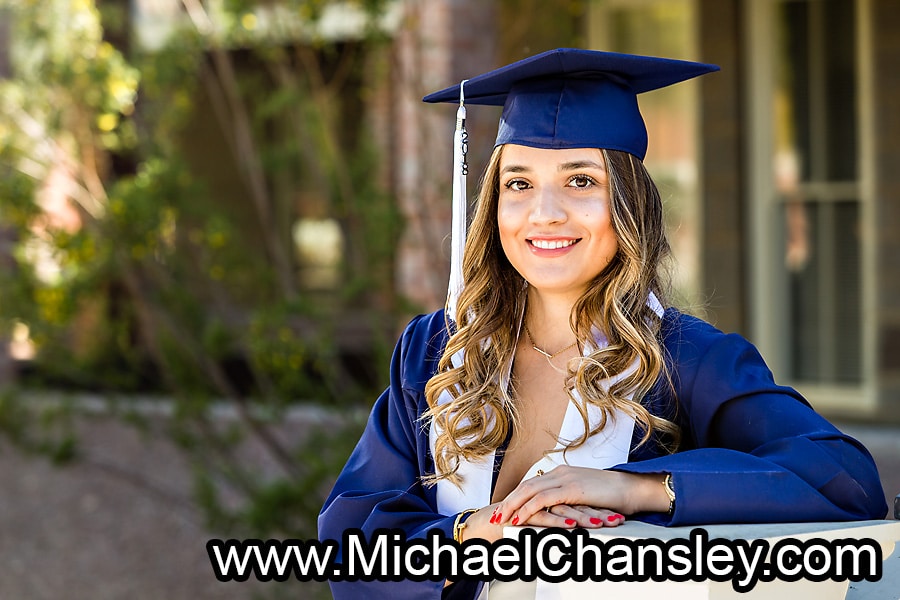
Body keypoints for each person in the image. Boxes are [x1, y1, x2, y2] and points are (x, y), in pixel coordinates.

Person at [318, 48, 887, 599]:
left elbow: (847, 482)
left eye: (581, 180)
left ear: (630, 203)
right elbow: (347, 541)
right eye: (519, 182)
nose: (545, 212)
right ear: (493, 205)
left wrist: (636, 488)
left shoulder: (685, 360)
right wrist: (467, 537)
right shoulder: (434, 351)